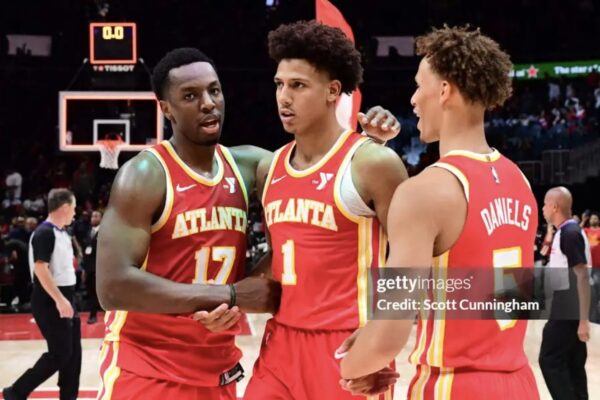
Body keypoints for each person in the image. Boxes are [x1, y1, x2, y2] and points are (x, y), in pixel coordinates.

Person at [96, 47, 396, 399]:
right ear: (166, 109)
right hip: (146, 366)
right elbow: (112, 287)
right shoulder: (146, 173)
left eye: (214, 91)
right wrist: (230, 296)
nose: (208, 103)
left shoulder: (253, 166)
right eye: (190, 96)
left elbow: (322, 194)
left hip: (219, 368)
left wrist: (369, 151)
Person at [339, 25, 540, 399]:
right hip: (518, 382)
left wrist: (351, 367)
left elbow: (389, 333)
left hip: (454, 385)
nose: (413, 99)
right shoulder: (521, 182)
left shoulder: (424, 191)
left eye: (419, 86)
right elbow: (496, 296)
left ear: (445, 90)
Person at [241, 21, 407, 399]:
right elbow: (282, 253)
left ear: (333, 91)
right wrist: (231, 296)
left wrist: (381, 337)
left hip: (347, 344)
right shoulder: (270, 167)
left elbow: (411, 260)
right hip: (280, 344)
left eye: (298, 85)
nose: (284, 97)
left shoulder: (372, 163)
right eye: (279, 84)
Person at [3, 189, 81, 400]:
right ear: (65, 207)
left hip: (66, 296)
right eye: (73, 208)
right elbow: (40, 269)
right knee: (60, 354)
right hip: (50, 299)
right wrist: (60, 300)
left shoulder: (63, 232)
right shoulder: (44, 233)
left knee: (74, 356)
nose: (75, 212)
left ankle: (68, 397)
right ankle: (15, 392)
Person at [539, 186, 591, 400]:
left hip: (568, 307)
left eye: (544, 204)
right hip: (569, 305)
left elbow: (582, 276)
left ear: (554, 206)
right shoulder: (567, 231)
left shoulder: (569, 233)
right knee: (572, 363)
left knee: (549, 359)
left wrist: (583, 321)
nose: (542, 208)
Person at [81, 210, 102, 324]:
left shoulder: (104, 232)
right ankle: (93, 314)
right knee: (91, 292)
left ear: (101, 219)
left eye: (96, 216)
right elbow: (85, 252)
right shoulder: (89, 232)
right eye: (92, 216)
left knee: (97, 292)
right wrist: (84, 269)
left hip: (99, 268)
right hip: (89, 267)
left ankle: (93, 315)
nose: (93, 218)